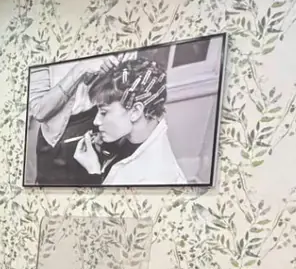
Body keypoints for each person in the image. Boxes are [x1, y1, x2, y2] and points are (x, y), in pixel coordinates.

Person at [75, 56, 186, 186]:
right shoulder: (136, 135)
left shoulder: (152, 180)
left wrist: (93, 173)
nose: (96, 121)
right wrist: (105, 151)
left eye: (104, 112)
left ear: (135, 111)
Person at [26, 60, 115, 186]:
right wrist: (81, 68)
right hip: (57, 138)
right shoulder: (43, 57)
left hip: (97, 126)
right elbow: (39, 111)